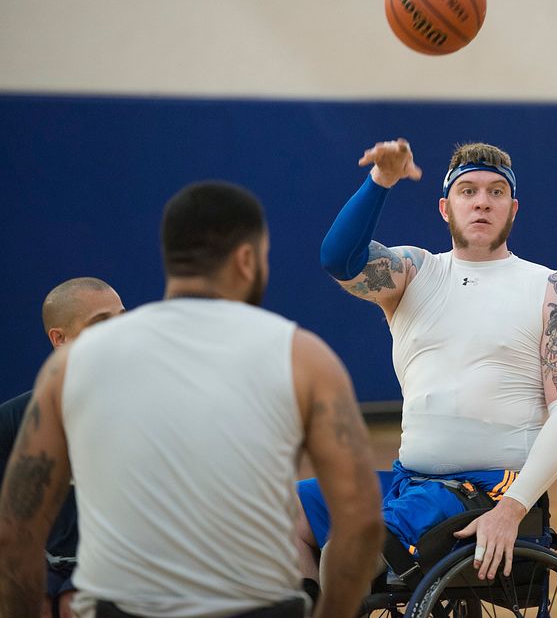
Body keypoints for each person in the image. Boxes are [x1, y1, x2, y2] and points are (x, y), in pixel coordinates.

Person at [0, 181, 384, 618]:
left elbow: (16, 535)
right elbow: (359, 519)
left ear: (170, 257)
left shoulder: (73, 368)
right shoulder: (302, 357)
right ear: (247, 259)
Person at [297, 138, 557, 584]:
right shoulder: (415, 273)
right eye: (468, 191)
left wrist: (513, 510)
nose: (482, 203)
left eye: (496, 192)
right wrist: (382, 180)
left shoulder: (553, 291)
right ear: (445, 207)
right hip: (410, 483)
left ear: (513, 209)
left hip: (487, 489)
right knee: (277, 513)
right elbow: (339, 259)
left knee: (348, 547)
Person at [0, 277, 124, 618]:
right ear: (60, 338)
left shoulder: (156, 412)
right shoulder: (14, 421)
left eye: (122, 317)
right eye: (101, 322)